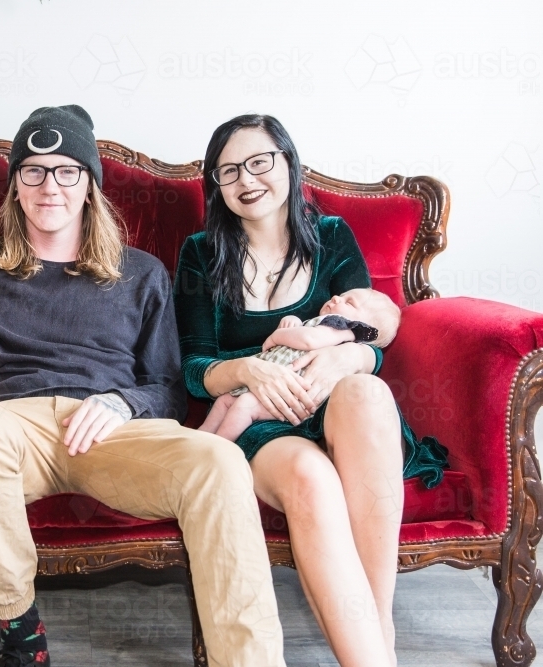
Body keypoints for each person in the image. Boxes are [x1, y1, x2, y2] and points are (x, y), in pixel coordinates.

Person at [0, 105, 287, 667]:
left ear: (90, 184)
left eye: (68, 171)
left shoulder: (140, 272)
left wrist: (121, 403)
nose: (50, 186)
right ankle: (20, 630)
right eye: (34, 171)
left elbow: (168, 386)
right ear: (16, 184)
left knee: (219, 462)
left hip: (113, 433)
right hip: (9, 431)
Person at [174, 114, 449, 667]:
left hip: (337, 404)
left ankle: (379, 633)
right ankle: (375, 657)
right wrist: (251, 370)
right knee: (309, 476)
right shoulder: (201, 253)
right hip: (264, 417)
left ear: (288, 163)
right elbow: (193, 364)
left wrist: (347, 357)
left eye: (259, 162)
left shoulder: (332, 236)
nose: (246, 179)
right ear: (216, 186)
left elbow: (370, 327)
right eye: (228, 171)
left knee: (367, 395)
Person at [201, 287, 399, 441]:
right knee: (224, 400)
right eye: (341, 295)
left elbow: (308, 341)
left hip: (291, 395)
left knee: (244, 405)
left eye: (349, 302)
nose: (336, 297)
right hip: (268, 383)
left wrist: (279, 336)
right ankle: (197, 439)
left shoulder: (342, 328)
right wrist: (293, 321)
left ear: (363, 326)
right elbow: (305, 335)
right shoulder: (324, 325)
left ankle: (219, 445)